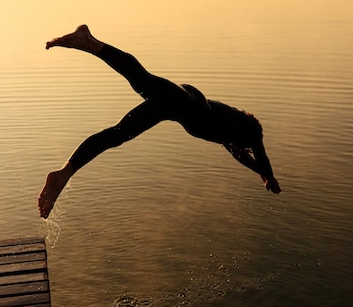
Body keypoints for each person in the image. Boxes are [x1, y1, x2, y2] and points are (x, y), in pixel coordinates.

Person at [38, 25, 281, 219]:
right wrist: (268, 176)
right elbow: (259, 155)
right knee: (141, 79)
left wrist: (262, 175)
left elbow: (243, 156)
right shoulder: (250, 131)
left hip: (175, 107)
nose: (245, 151)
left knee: (118, 133)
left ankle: (64, 173)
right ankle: (90, 42)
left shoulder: (230, 137)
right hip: (185, 103)